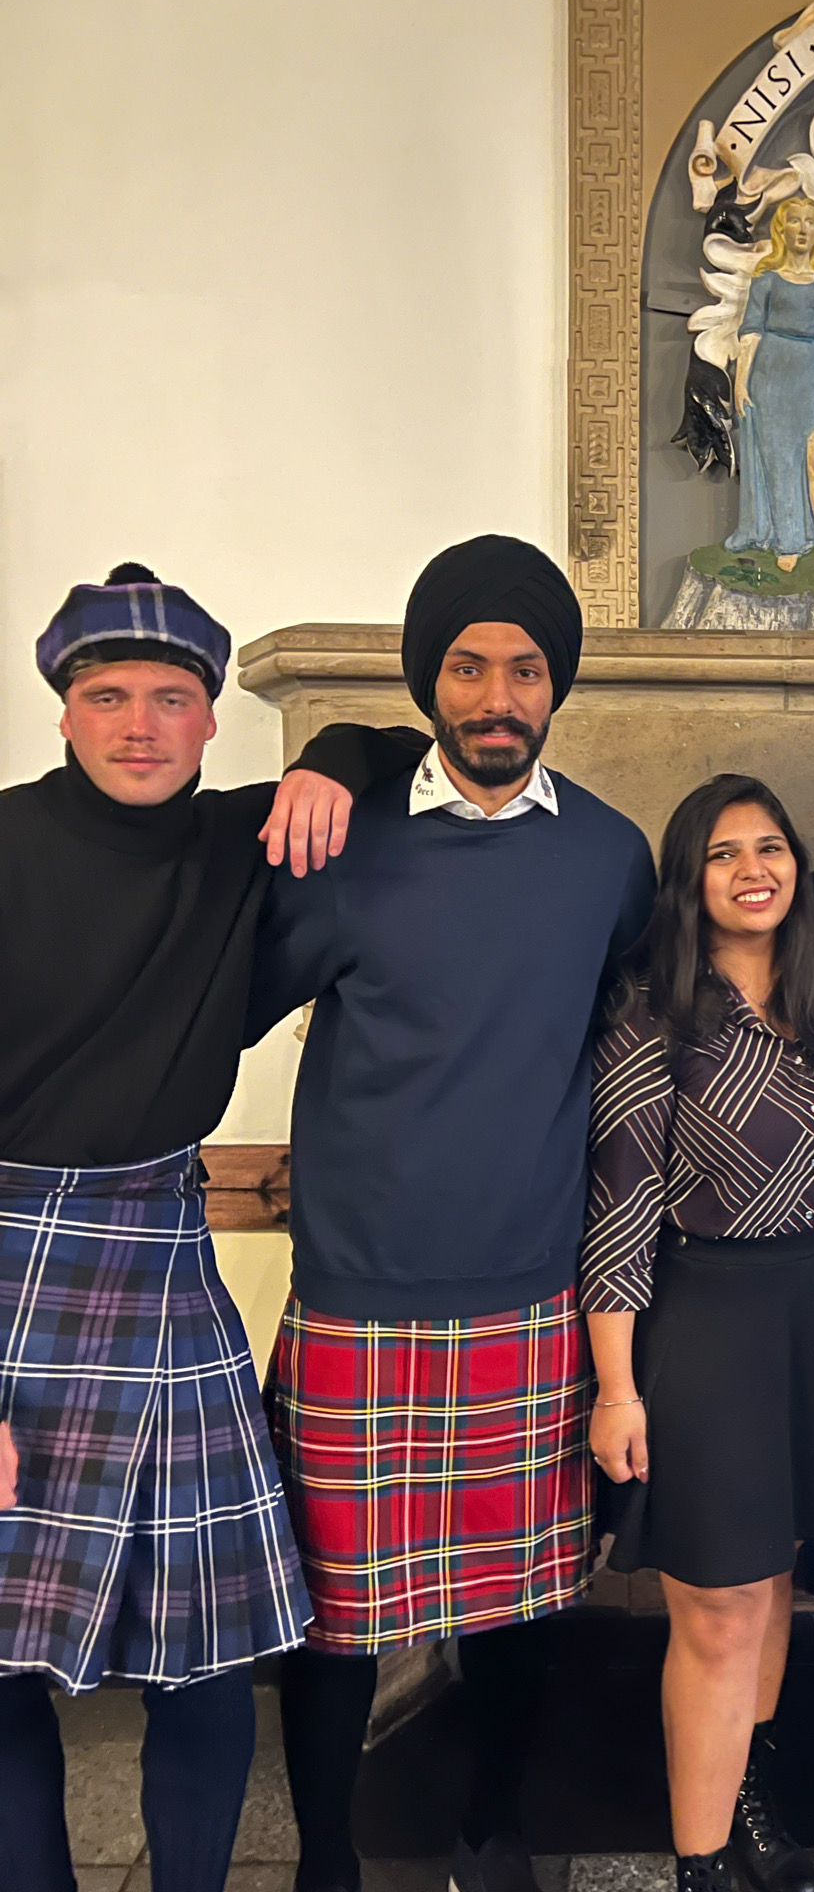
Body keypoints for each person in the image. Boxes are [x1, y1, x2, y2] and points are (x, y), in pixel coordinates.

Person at [246, 535, 656, 1892]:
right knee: (335, 1621)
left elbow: (623, 1049)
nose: (496, 694)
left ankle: (494, 1827)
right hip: (361, 1294)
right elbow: (226, 998)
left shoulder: (607, 858)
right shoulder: (340, 843)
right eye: (467, 666)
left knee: (523, 1611)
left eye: (524, 668)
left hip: (528, 1290)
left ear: (557, 687)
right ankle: (322, 1857)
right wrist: (341, 751)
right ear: (430, 683)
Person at [0, 562, 416, 1892]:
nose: (137, 723)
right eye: (106, 695)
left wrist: (335, 757)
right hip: (9, 1268)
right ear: (63, 711)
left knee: (207, 1648)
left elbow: (416, 754)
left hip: (164, 1263)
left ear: (208, 720)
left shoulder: (245, 842)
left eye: (170, 698)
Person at [583, 774, 814, 1892]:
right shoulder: (653, 1008)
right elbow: (616, 1203)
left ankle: (745, 1790)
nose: (752, 867)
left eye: (770, 845)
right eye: (721, 853)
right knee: (715, 1604)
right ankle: (700, 1862)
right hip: (702, 1321)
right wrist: (617, 1386)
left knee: (769, 1588)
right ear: (688, 877)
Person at [727, 196, 814, 578]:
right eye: (795, 221)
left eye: (809, 222)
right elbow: (750, 332)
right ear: (782, 229)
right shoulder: (766, 279)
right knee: (780, 463)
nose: (802, 229)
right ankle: (789, 542)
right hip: (770, 376)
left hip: (807, 374)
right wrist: (741, 381)